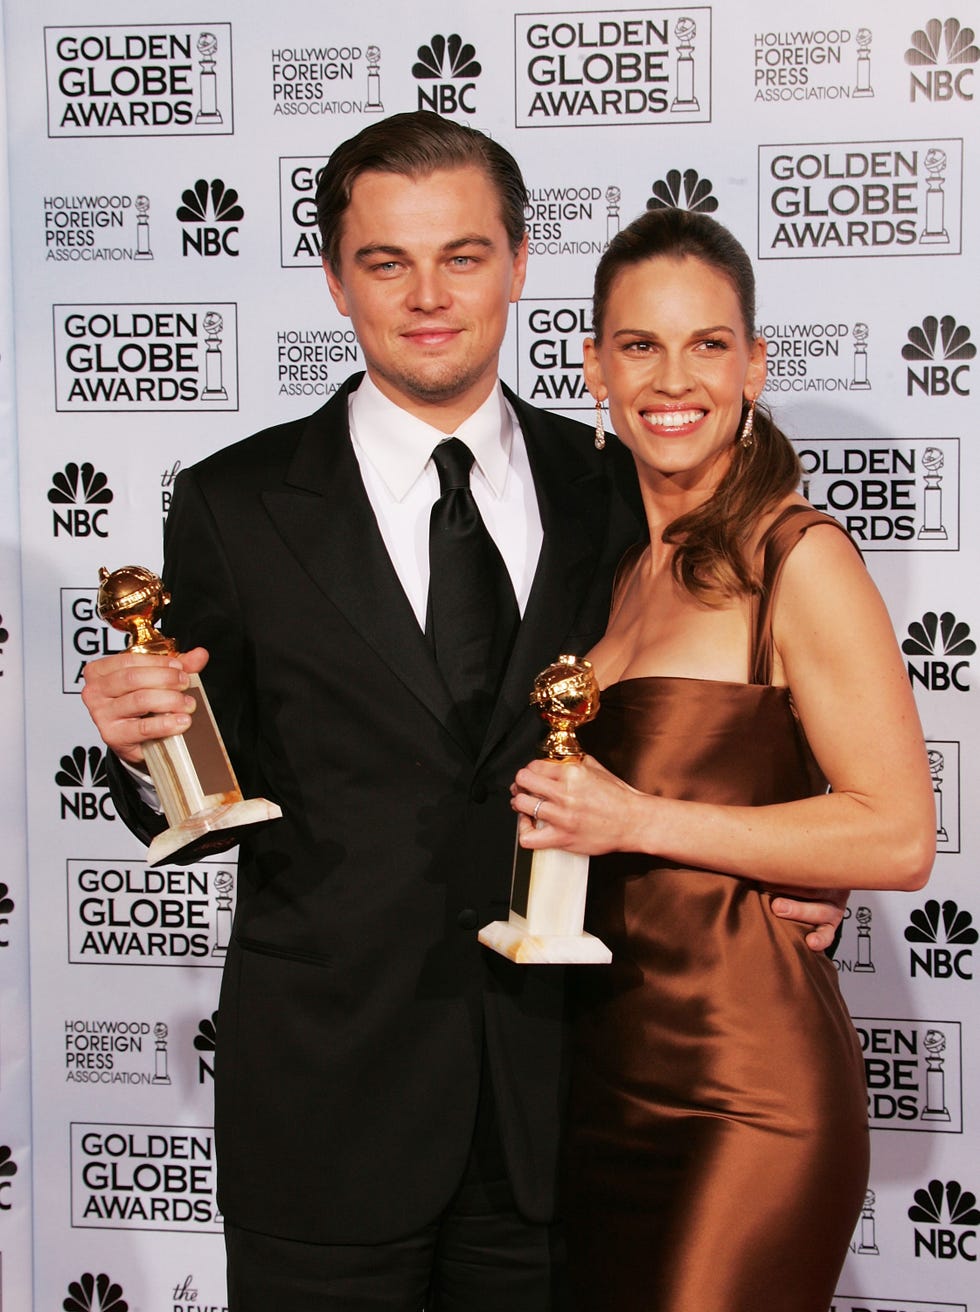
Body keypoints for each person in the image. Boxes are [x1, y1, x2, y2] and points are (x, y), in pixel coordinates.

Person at [80, 115, 846, 1312]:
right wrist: (139, 743)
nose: (429, 295)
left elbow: (711, 696)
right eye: (387, 262)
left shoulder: (614, 486)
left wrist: (787, 875)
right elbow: (213, 799)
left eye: (464, 255)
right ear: (335, 280)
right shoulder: (232, 504)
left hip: (573, 1092)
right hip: (327, 1112)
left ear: (520, 263)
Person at [511, 208, 935, 1312]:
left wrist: (635, 819)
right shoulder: (616, 570)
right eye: (639, 344)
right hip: (607, 1078)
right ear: (593, 366)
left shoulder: (799, 554)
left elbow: (895, 834)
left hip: (750, 1089)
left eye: (707, 343)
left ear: (752, 362)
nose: (673, 376)